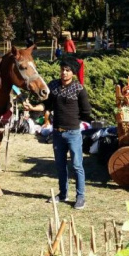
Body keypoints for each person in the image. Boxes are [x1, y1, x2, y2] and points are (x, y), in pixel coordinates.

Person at [23, 56, 91, 210]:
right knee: (60, 166)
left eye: (68, 70)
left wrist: (74, 121)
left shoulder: (79, 89)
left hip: (73, 133)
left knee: (77, 165)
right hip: (57, 134)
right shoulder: (53, 86)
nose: (64, 73)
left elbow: (87, 112)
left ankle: (80, 197)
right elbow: (46, 105)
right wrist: (32, 108)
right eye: (62, 70)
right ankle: (63, 194)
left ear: (73, 72)